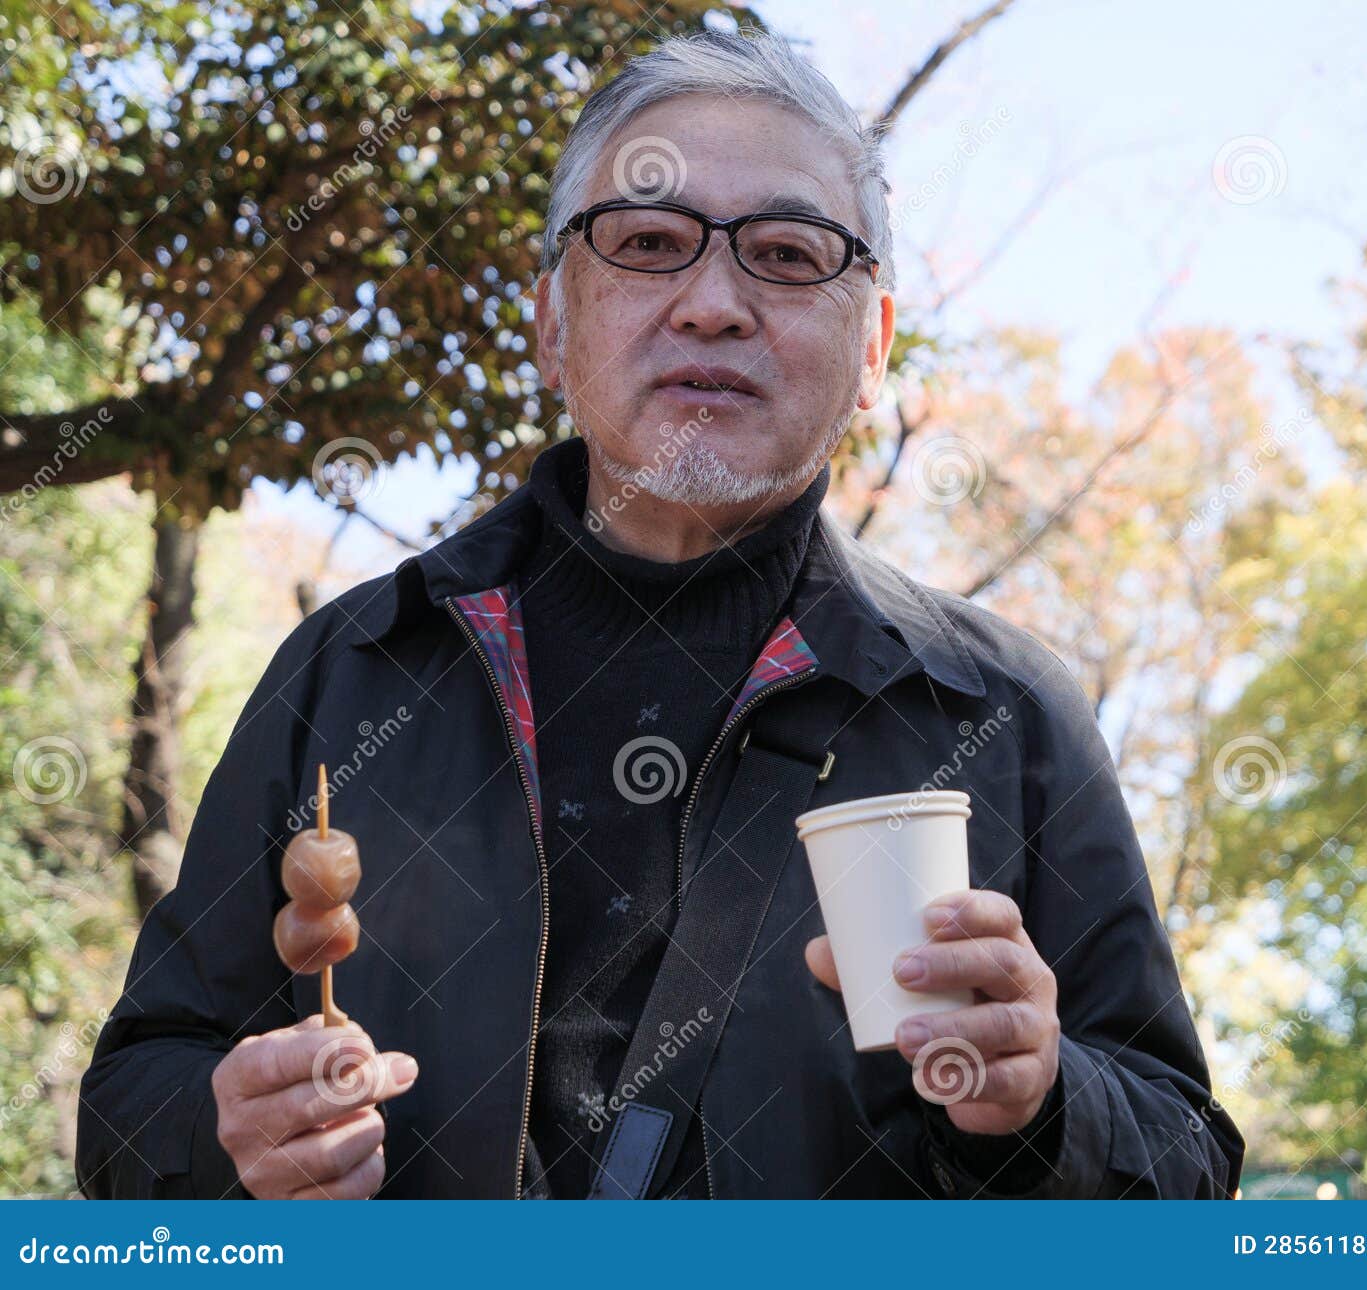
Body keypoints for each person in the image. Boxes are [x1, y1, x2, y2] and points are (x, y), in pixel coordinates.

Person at [77, 27, 1243, 1200]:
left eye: (788, 253)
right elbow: (130, 1106)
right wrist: (225, 1140)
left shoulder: (999, 711)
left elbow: (1187, 1167)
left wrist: (1040, 1109)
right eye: (647, 242)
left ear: (874, 345)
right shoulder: (356, 669)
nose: (714, 303)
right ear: (550, 323)